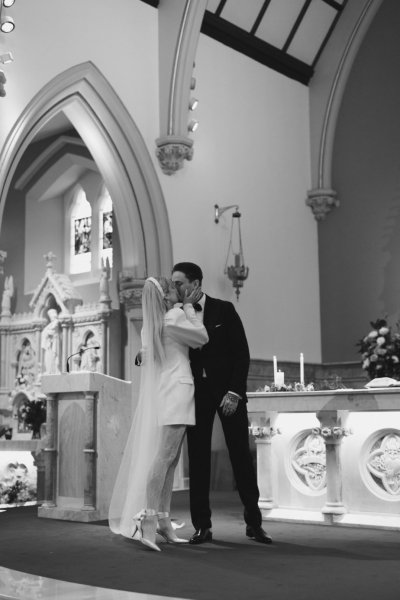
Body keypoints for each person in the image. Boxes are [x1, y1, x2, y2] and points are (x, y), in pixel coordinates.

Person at [171, 262, 272, 545]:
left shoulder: (224, 309)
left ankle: (254, 523)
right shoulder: (176, 315)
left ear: (195, 283)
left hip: (228, 393)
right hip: (196, 393)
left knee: (241, 456)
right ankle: (202, 526)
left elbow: (242, 353)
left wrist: (234, 392)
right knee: (199, 460)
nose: (175, 288)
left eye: (179, 283)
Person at [109, 276, 208, 551]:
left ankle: (163, 523)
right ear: (166, 297)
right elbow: (202, 337)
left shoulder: (151, 326)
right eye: (174, 289)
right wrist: (190, 308)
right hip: (178, 392)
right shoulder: (175, 317)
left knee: (170, 459)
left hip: (167, 392)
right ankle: (149, 522)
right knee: (165, 458)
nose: (180, 291)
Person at [41, 308, 60, 374]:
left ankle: (53, 370)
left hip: (53, 343)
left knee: (52, 357)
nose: (51, 317)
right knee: (47, 357)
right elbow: (46, 332)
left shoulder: (56, 322)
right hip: (49, 345)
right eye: (50, 316)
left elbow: (51, 331)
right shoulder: (51, 324)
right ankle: (49, 370)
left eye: (51, 315)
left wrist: (47, 333)